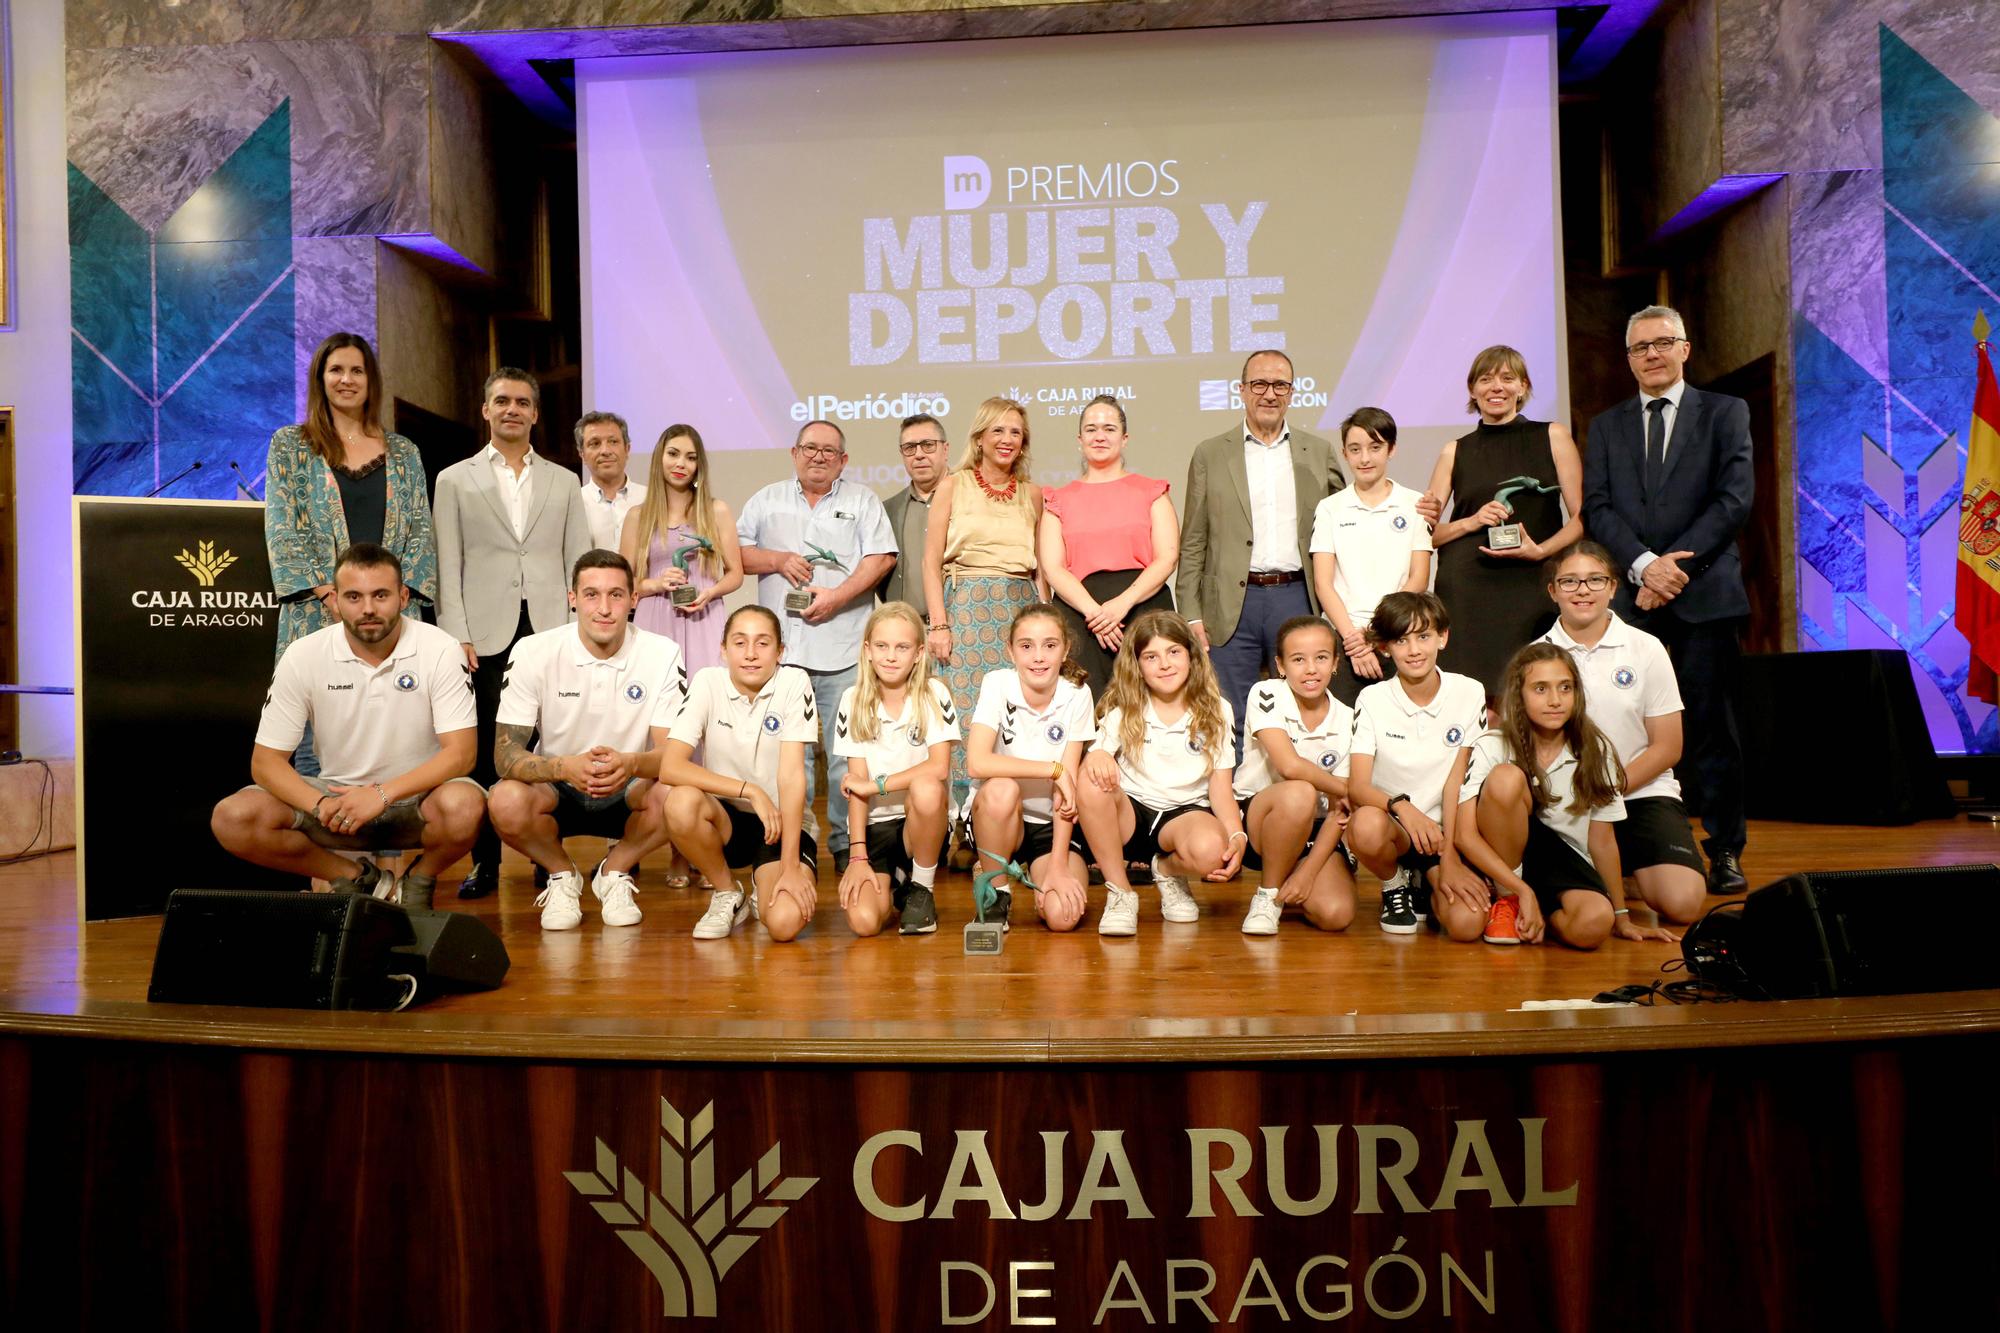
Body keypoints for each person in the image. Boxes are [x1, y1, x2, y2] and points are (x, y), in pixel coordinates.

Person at [1582, 304, 1755, 895]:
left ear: (1685, 349)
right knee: (1628, 728)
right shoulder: (1606, 426)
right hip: (1631, 601)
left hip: (1704, 597)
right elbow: (1597, 508)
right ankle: (1642, 848)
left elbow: (1734, 500)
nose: (1652, 355)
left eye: (1663, 343)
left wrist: (1673, 568)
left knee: (1711, 729)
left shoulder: (1726, 413)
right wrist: (1643, 567)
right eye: (1639, 348)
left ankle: (1725, 850)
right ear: (1628, 359)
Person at [209, 543, 482, 911]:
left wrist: (381, 794)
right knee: (233, 817)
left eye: (380, 595)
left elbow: (461, 754)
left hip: (418, 800)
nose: (368, 608)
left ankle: (418, 881)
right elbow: (266, 762)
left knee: (466, 805)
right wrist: (320, 804)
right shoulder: (303, 654)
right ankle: (357, 879)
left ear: (403, 597)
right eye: (354, 596)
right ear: (335, 601)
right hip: (336, 803)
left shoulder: (441, 648)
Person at [434, 367, 593, 898]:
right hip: (482, 635)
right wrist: (455, 634)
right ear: (485, 410)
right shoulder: (454, 479)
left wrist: (579, 631)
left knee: (550, 743)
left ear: (535, 413)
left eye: (522, 402)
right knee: (486, 751)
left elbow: (578, 564)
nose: (512, 410)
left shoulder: (564, 481)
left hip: (550, 627)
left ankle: (549, 861)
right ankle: (486, 862)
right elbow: (447, 563)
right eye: (502, 400)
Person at [264, 332, 438, 776]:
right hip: (317, 615)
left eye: (357, 370)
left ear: (371, 380)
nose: (346, 379)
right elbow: (283, 528)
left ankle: (390, 842)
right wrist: (332, 597)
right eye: (336, 370)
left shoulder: (404, 452)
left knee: (399, 739)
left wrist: (390, 600)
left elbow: (420, 530)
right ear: (320, 379)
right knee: (312, 746)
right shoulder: (291, 445)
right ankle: (324, 839)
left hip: (394, 620)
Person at [487, 551, 688, 931]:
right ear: (572, 598)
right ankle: (562, 876)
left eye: (616, 595)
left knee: (678, 796)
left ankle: (613, 873)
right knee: (504, 798)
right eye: (592, 595)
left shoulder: (662, 652)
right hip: (556, 786)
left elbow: (672, 755)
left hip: (629, 784)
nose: (604, 609)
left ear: (633, 599)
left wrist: (628, 763)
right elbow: (504, 755)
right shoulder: (534, 650)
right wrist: (565, 766)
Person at [736, 420, 897, 877]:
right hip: (783, 658)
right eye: (810, 448)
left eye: (829, 451)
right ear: (794, 452)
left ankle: (848, 843)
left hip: (845, 648)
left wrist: (838, 596)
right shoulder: (766, 500)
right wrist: (777, 559)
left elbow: (882, 557)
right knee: (791, 757)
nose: (819, 457)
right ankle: (797, 840)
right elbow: (735, 553)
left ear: (843, 460)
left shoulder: (862, 500)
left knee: (847, 757)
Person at [1449, 643, 1682, 949]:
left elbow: (1602, 840)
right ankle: (1509, 900)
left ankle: (1544, 917)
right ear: (1520, 695)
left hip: (1562, 859)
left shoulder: (1596, 750)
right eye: (1540, 689)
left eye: (1565, 688)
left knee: (1595, 924)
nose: (1555, 700)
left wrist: (1621, 915)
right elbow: (1465, 836)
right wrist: (1521, 889)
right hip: (1503, 858)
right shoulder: (1492, 745)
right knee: (1506, 778)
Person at [1177, 350, 1346, 759]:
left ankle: (1299, 808)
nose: (1269, 394)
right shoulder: (1210, 453)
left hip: (1296, 597)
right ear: (1242, 391)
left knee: (1300, 710)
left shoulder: (1317, 451)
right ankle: (1238, 813)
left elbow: (1344, 527)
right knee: (1231, 713)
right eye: (1259, 384)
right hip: (1232, 603)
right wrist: (1192, 614)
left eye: (1279, 385)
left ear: (1292, 392)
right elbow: (1194, 538)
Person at [1538, 541, 1709, 924]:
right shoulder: (1537, 655)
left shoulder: (1646, 649)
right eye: (1569, 581)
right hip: (1568, 801)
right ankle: (1606, 872)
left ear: (1614, 587)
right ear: (1553, 591)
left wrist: (1609, 790)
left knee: (1683, 903)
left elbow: (1668, 747)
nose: (1583, 590)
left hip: (1638, 790)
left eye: (1595, 580)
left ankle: (1626, 870)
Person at [1426, 345, 1583, 699]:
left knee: (1534, 689)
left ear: (1523, 387)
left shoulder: (1552, 435)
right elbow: (1429, 536)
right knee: (1471, 695)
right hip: (1468, 589)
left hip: (1533, 582)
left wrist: (1540, 551)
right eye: (1486, 379)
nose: (1496, 387)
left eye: (1507, 378)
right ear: (1472, 390)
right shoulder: (1455, 450)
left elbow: (1581, 518)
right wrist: (1473, 520)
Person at [1075, 611, 1243, 937]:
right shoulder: (1124, 706)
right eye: (1151, 656)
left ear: (1192, 656)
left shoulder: (1216, 709)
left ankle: (1166, 871)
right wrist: (1096, 755)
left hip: (1182, 815)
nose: (1164, 664)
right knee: (1091, 777)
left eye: (1173, 652)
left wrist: (1237, 836)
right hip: (1130, 813)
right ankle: (1120, 892)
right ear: (1137, 665)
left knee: (1212, 849)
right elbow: (1095, 759)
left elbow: (1221, 788)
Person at [660, 606, 821, 942]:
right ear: (723, 649)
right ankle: (726, 893)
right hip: (727, 819)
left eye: (762, 644)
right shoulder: (707, 680)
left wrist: (790, 865)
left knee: (784, 924)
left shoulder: (794, 681)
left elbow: (792, 777)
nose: (750, 654)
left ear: (780, 652)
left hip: (781, 822)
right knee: (680, 801)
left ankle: (765, 885)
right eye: (739, 643)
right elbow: (670, 767)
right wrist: (749, 790)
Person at [924, 397, 1047, 832]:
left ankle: (1006, 819)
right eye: (998, 430)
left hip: (1018, 608)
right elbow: (930, 560)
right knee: (963, 715)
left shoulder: (1033, 494)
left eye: (1015, 432)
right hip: (966, 609)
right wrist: (939, 623)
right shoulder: (953, 485)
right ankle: (961, 826)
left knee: (1015, 713)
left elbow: (1042, 567)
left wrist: (1047, 624)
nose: (1007, 439)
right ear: (979, 438)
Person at [1343, 592, 1489, 935]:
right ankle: (1395, 883)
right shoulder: (1373, 698)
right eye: (1401, 640)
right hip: (1396, 830)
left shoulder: (1470, 691)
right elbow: (1358, 786)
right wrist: (1403, 809)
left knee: (1466, 927)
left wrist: (1450, 858)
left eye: (1423, 636)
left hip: (1445, 834)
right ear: (1385, 647)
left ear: (1443, 637)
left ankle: (1429, 880)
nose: (1413, 650)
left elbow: (1459, 783)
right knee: (1364, 825)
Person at [965, 605, 1098, 933]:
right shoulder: (997, 683)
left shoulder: (1078, 694)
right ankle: (996, 889)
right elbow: (977, 762)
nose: (1038, 656)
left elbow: (1066, 793)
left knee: (1062, 917)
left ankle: (1036, 868)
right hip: (1001, 816)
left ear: (1065, 649)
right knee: (1001, 788)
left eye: (1050, 646)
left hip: (1051, 824)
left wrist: (1057, 866)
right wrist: (1051, 769)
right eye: (1026, 646)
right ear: (1010, 651)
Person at [1039, 395, 1178, 698]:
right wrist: (1095, 613)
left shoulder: (1151, 491)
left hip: (1143, 608)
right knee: (1087, 706)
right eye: (1091, 429)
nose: (1099, 436)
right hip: (1080, 615)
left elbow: (1167, 558)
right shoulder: (1057, 499)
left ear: (1124, 438)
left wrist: (1122, 605)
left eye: (1109, 429)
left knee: (1151, 703)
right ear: (1080, 439)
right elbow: (1052, 568)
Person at [833, 603, 958, 937]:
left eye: (902, 647)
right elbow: (854, 788)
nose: (891, 656)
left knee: (927, 787)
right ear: (867, 651)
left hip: (919, 822)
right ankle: (897, 885)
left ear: (918, 653)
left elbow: (939, 767)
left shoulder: (935, 693)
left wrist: (876, 786)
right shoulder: (852, 699)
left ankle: (922, 888)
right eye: (882, 646)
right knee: (864, 923)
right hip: (875, 826)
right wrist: (857, 855)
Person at [1233, 617, 1358, 936]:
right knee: (1299, 791)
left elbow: (1338, 810)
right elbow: (1289, 766)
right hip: (1260, 818)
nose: (1311, 669)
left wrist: (1309, 873)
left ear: (1335, 663)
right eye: (1298, 659)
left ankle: (1296, 874)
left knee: (1336, 914)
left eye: (1321, 657)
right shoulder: (1267, 692)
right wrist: (1345, 787)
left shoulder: (1348, 719)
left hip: (1316, 827)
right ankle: (1268, 896)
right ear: (1281, 665)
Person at [1309, 407, 1433, 706]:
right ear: (1345, 453)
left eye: (1375, 447)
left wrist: (1376, 632)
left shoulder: (1414, 503)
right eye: (1355, 449)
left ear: (1391, 449)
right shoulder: (1330, 508)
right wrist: (1355, 642)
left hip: (1398, 633)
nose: (1365, 458)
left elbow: (1419, 577)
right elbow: (1323, 583)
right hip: (1344, 635)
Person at [621, 423, 742, 677]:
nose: (681, 464)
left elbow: (735, 574)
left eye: (691, 458)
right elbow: (623, 584)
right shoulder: (637, 516)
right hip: (654, 615)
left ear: (699, 466)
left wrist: (711, 592)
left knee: (705, 694)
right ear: (659, 458)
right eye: (673, 454)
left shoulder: (716, 510)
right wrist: (656, 584)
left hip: (704, 615)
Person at [880, 414, 950, 618]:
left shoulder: (968, 497)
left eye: (928, 445)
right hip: (907, 632)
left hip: (962, 627)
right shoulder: (888, 510)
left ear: (945, 450)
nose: (918, 454)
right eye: (910, 448)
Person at [576, 410, 647, 552]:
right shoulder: (574, 502)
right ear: (582, 454)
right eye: (595, 443)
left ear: (627, 449)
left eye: (613, 442)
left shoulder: (649, 498)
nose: (605, 451)